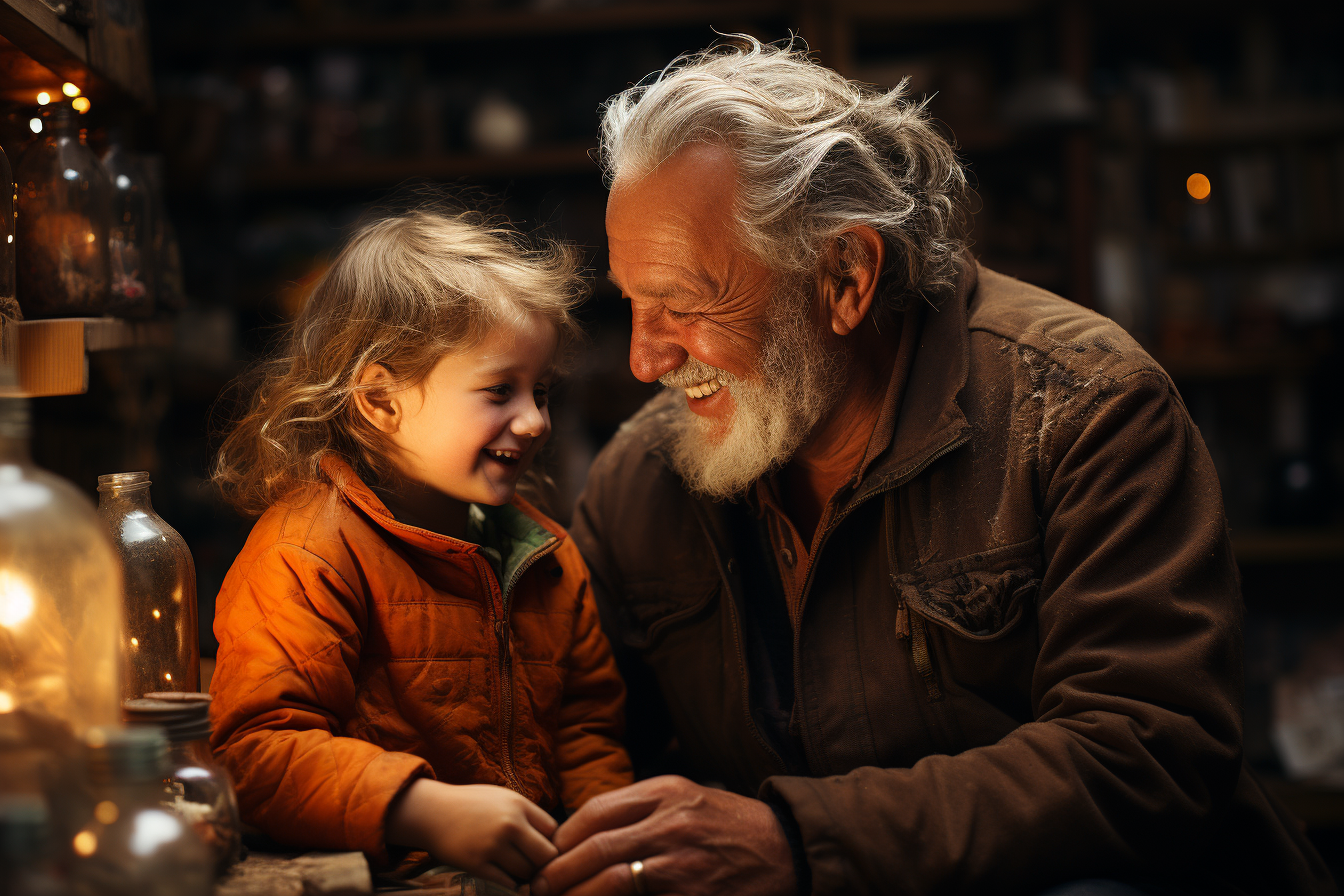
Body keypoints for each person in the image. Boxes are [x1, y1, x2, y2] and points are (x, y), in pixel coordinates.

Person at [532, 39, 1336, 896]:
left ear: (846, 276)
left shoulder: (1085, 408)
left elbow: (1149, 755)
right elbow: (581, 734)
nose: (645, 360)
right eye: (632, 303)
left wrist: (798, 843)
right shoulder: (643, 479)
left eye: (684, 305)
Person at [208, 207, 633, 890]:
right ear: (380, 402)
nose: (534, 421)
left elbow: (585, 730)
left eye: (542, 392)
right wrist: (423, 811)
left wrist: (603, 840)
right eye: (500, 390)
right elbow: (256, 755)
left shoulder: (547, 557)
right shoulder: (308, 553)